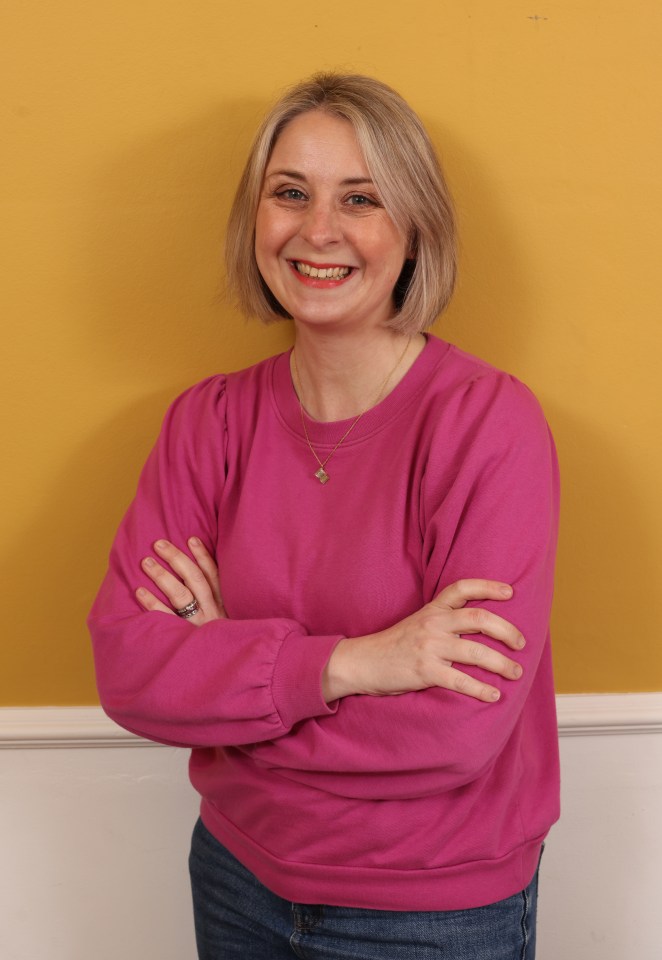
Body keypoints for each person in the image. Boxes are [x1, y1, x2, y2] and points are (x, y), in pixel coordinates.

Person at [89, 73, 560, 959]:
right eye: (290, 193)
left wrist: (229, 688)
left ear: (414, 227)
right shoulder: (208, 422)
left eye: (362, 199)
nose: (318, 231)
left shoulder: (487, 425)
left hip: (431, 911)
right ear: (255, 219)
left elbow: (457, 734)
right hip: (236, 877)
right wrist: (355, 664)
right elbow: (128, 668)